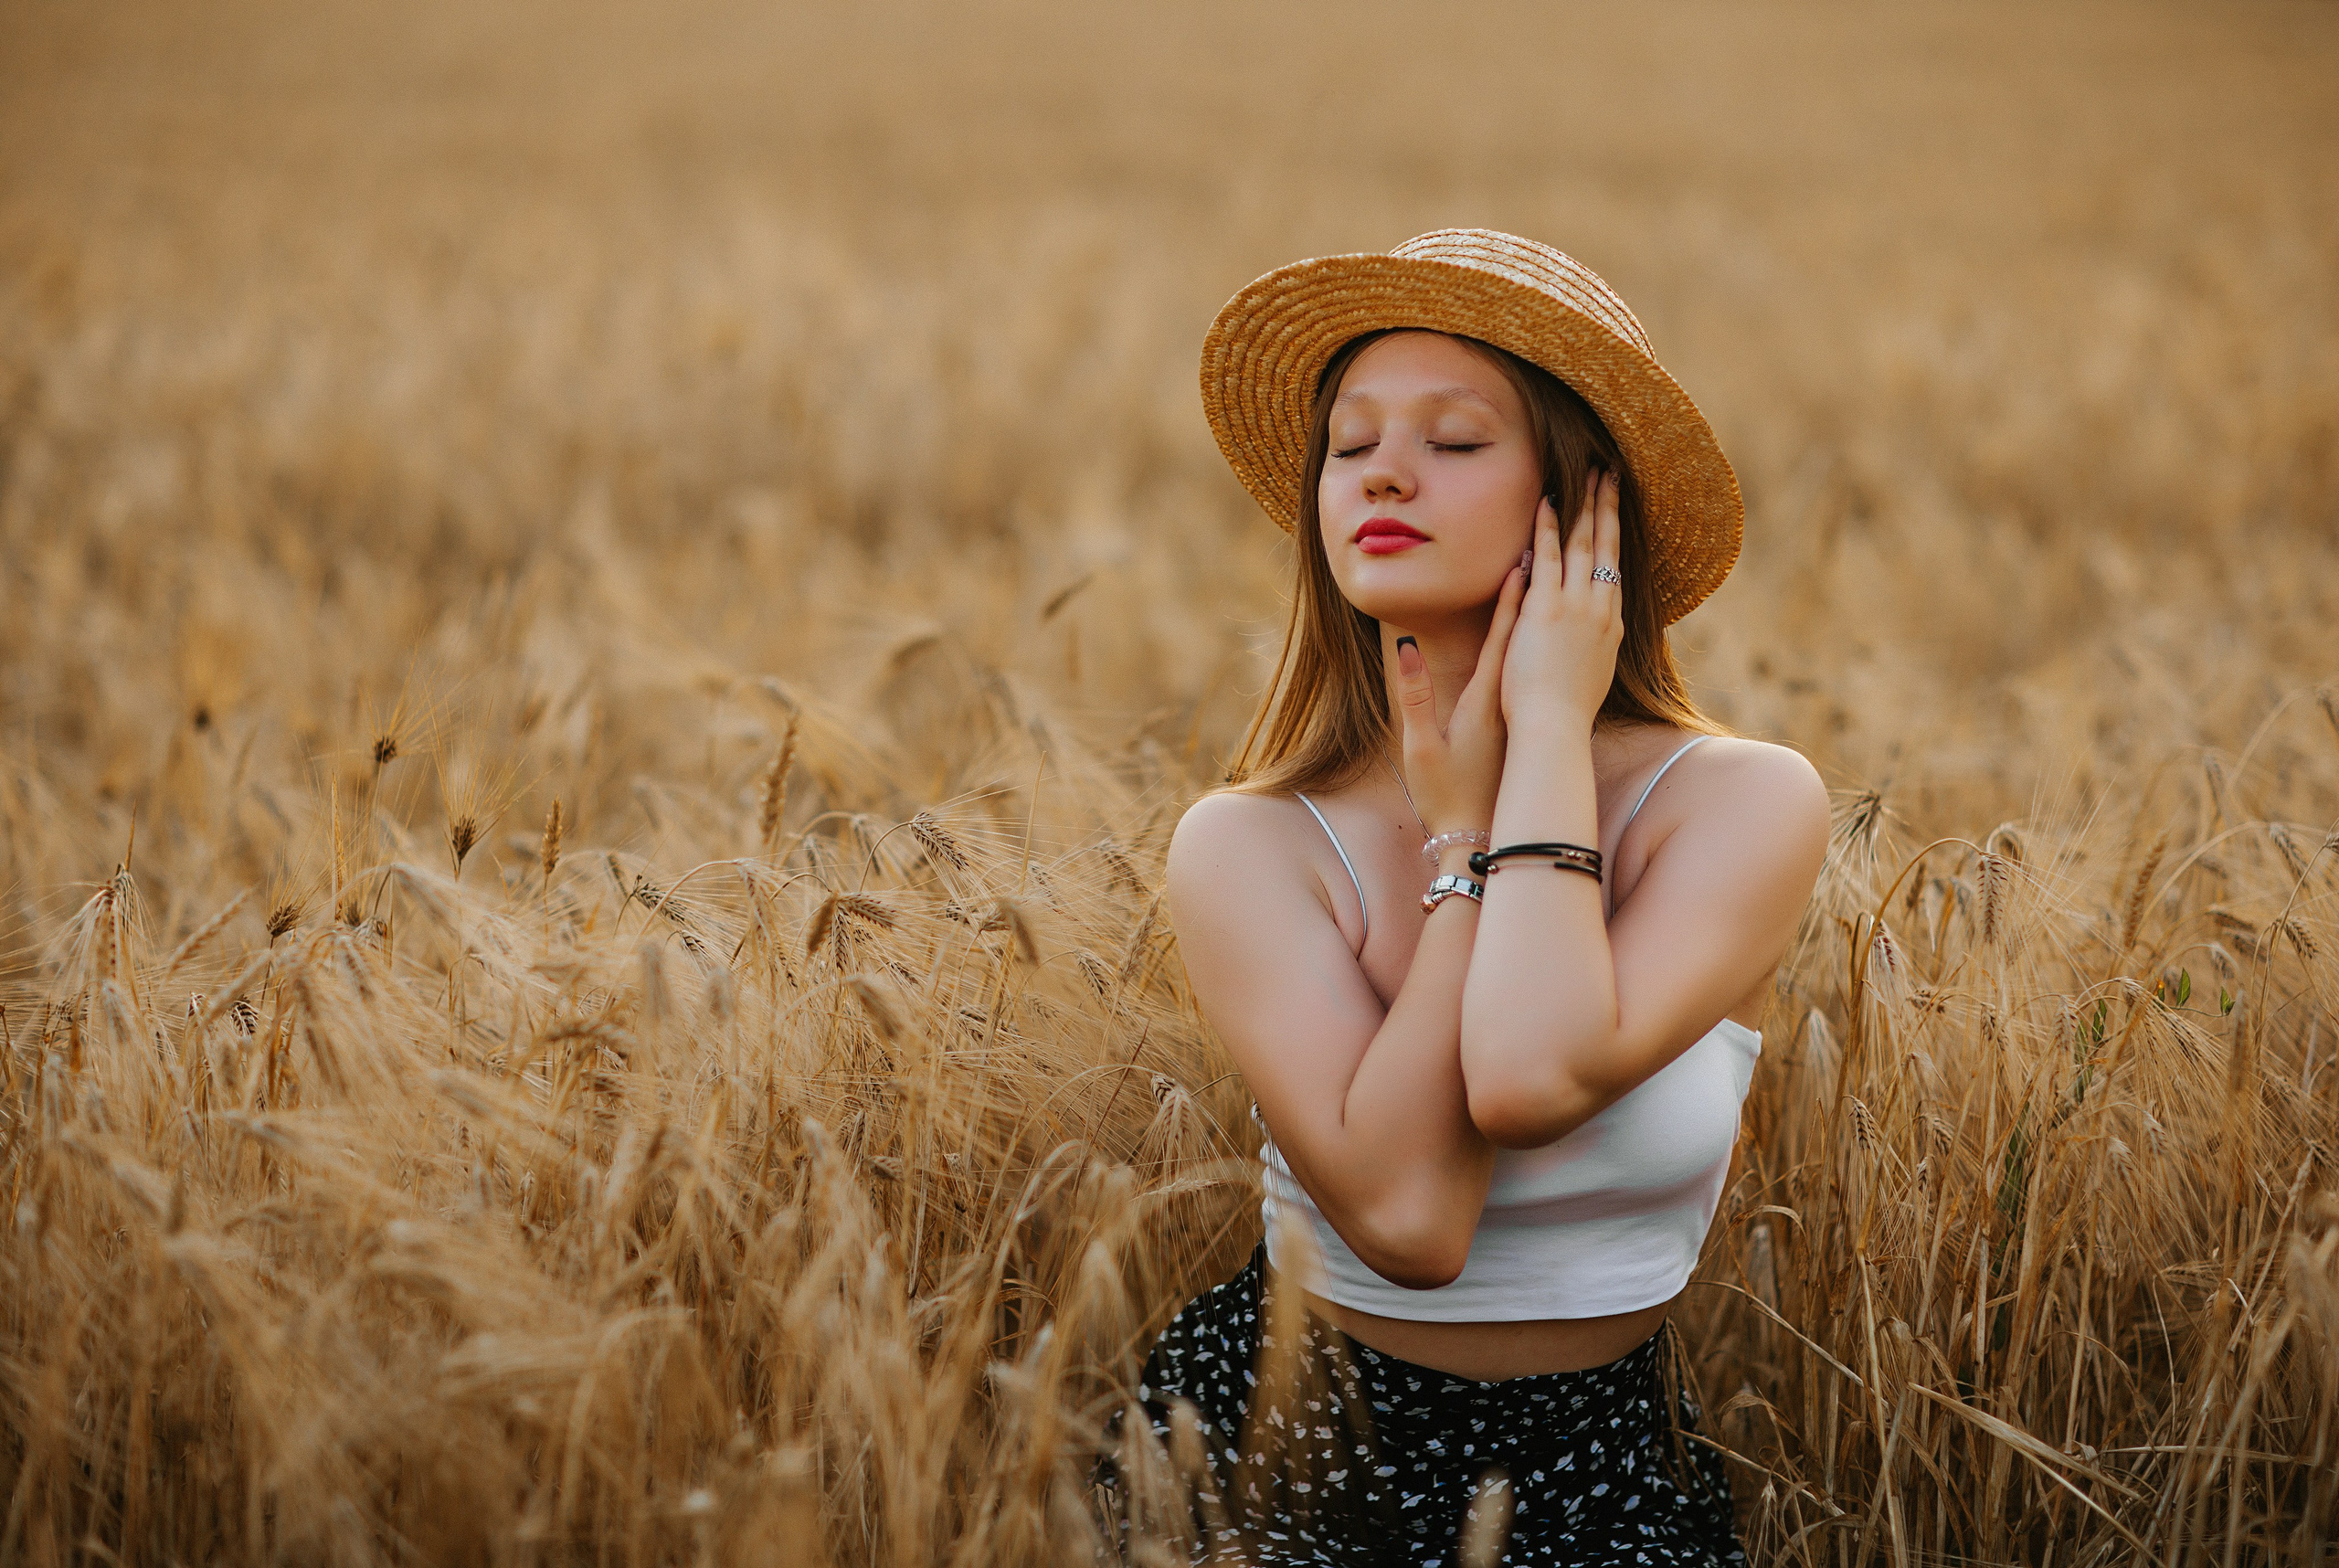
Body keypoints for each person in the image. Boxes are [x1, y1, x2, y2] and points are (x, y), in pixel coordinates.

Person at [1140, 231, 1829, 1565]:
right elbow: (1409, 1223)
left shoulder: (1740, 802)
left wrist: (1548, 740)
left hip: (1609, 1470)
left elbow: (1526, 1075)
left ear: (1585, 505)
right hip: (1284, 1444)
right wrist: (1463, 830)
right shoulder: (1248, 841)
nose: (1387, 472)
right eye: (1352, 444)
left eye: (1456, 441)